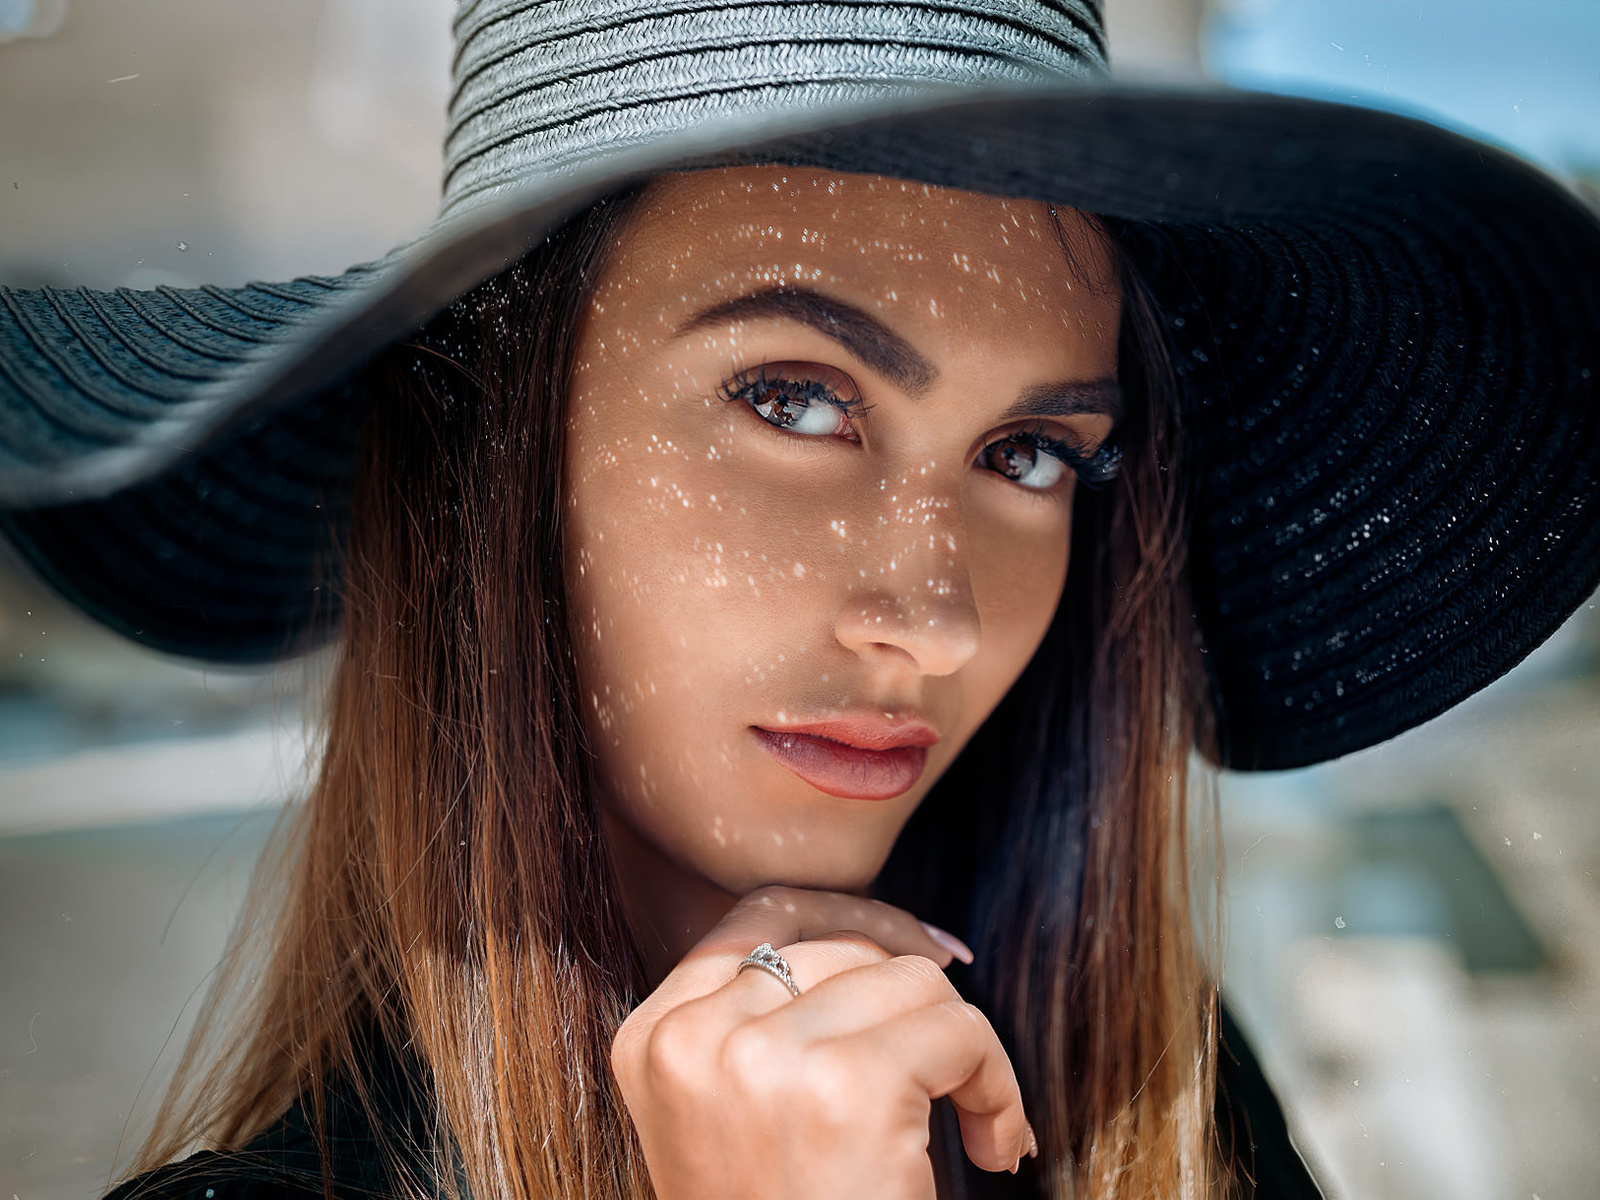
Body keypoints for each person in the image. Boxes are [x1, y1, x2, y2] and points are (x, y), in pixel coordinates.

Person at [1, 3, 1596, 1199]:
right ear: (490, 452)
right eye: (796, 401)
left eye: (1034, 454)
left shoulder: (1164, 1102)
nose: (938, 619)